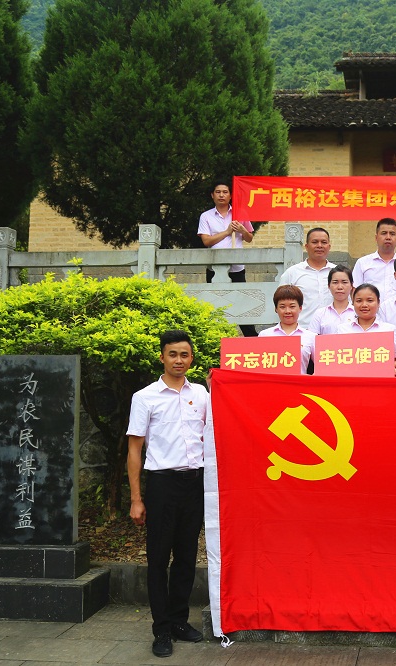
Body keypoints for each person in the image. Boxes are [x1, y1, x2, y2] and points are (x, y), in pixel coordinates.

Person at [126, 330, 209, 658]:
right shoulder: (145, 397)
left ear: (191, 358)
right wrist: (136, 498)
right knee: (158, 559)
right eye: (172, 354)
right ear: (162, 357)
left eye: (184, 355)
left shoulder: (201, 393)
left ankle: (179, 621)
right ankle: (161, 629)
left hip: (194, 484)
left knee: (187, 557)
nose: (178, 360)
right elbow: (135, 449)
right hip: (162, 485)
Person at [197, 179, 257, 335]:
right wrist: (227, 232)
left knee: (241, 303)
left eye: (225, 192)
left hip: (237, 267)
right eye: (218, 192)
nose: (221, 195)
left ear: (230, 195)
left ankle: (251, 337)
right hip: (214, 267)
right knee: (215, 304)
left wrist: (242, 230)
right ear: (212, 195)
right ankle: (217, 337)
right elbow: (206, 241)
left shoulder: (239, 213)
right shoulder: (206, 216)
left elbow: (249, 238)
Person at [280, 227, 335, 329]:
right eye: (315, 242)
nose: (319, 245)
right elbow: (281, 303)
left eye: (323, 242)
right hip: (303, 330)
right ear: (306, 246)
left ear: (329, 246)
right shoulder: (292, 273)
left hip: (332, 331)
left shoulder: (338, 273)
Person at [258, 285, 315, 373]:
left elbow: (322, 367)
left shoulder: (311, 337)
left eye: (292, 306)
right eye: (282, 307)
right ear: (276, 309)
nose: (287, 311)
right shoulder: (265, 335)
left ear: (300, 308)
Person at [332, 283, 396, 356]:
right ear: (353, 303)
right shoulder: (342, 330)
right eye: (359, 301)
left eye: (370, 300)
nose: (364, 305)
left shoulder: (389, 330)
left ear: (378, 303)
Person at [352, 218, 396, 301]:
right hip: (369, 309)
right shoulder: (362, 263)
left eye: (392, 234)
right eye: (384, 233)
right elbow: (355, 291)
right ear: (376, 237)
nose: (388, 237)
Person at [308, 265, 356, 335]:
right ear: (328, 286)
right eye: (335, 282)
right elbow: (311, 338)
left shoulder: (358, 313)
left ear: (351, 285)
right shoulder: (320, 314)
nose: (340, 287)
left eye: (344, 282)